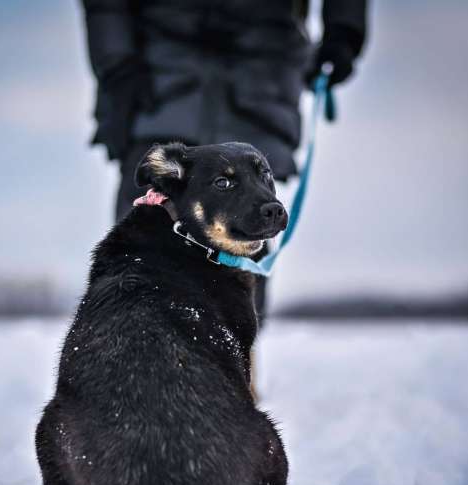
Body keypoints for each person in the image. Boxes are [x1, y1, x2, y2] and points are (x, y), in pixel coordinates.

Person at [80, 0, 367, 321]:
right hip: (158, 68)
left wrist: (344, 30)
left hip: (261, 69)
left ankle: (232, 358)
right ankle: (129, 349)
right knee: (144, 231)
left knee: (249, 223)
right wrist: (117, 61)